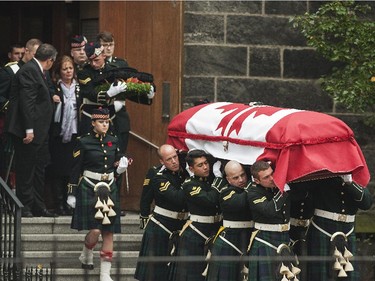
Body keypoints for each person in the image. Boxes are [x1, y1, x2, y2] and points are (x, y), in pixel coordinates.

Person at [66, 107, 129, 281]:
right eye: (101, 122)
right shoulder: (83, 141)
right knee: (95, 229)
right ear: (93, 123)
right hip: (89, 185)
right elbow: (75, 167)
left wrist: (120, 168)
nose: (105, 125)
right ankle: (87, 250)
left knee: (108, 231)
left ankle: (105, 274)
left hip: (109, 186)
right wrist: (71, 192)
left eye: (107, 122)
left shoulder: (114, 140)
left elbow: (116, 162)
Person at [5, 43, 58, 218]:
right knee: (26, 170)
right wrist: (29, 129)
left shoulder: (40, 70)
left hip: (40, 132)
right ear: (50, 60)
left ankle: (38, 205)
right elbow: (27, 102)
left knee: (38, 169)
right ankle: (25, 206)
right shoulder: (29, 70)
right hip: (28, 131)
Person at [134, 144, 189, 281]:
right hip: (162, 224)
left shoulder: (185, 171)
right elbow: (146, 197)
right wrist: (144, 216)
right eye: (169, 159)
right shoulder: (157, 174)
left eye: (175, 157)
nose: (174, 161)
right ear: (162, 161)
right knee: (154, 271)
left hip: (181, 225)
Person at [306, 175, 373, 281]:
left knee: (350, 276)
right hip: (322, 229)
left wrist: (350, 183)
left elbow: (366, 203)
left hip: (348, 232)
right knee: (320, 276)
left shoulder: (355, 175)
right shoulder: (321, 173)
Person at [172, 149, 222, 281]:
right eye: (200, 165)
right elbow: (210, 200)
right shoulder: (190, 185)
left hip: (214, 230)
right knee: (193, 274)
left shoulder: (210, 181)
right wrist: (218, 181)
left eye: (206, 163)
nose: (205, 167)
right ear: (191, 168)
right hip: (196, 233)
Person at [247, 160, 295, 281]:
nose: (272, 178)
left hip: (284, 237)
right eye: (266, 177)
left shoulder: (275, 187)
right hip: (265, 239)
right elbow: (270, 210)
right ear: (257, 181)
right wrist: (282, 191)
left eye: (272, 173)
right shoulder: (253, 192)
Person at [207, 160, 253, 281]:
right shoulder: (226, 192)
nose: (241, 180)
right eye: (236, 177)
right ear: (228, 179)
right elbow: (241, 201)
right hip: (230, 239)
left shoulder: (252, 189)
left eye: (243, 175)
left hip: (248, 238)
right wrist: (253, 182)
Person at [48, 55, 81, 215]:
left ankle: (70, 202)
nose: (68, 71)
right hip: (58, 135)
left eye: (70, 68)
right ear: (59, 72)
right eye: (64, 69)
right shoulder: (55, 88)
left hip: (75, 135)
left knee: (72, 171)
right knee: (57, 170)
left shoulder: (79, 88)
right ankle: (58, 203)